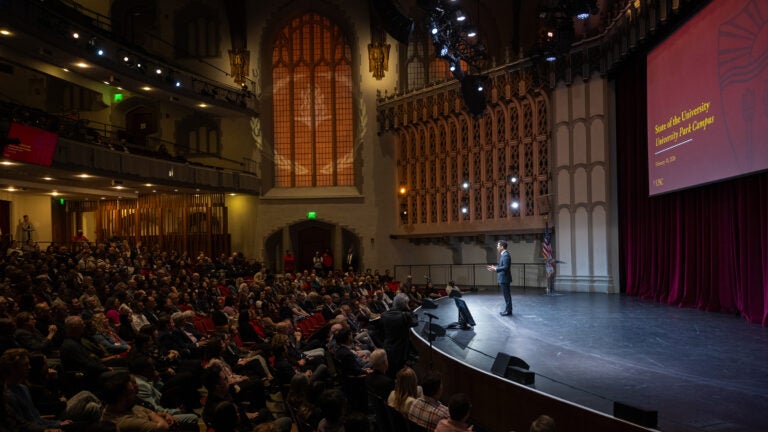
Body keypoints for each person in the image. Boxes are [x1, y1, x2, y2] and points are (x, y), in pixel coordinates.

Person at [487, 240, 513, 316]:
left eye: (498, 246)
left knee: (507, 295)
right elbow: (503, 266)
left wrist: (495, 269)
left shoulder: (505, 255)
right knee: (506, 295)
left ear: (502, 247)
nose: (497, 247)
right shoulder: (504, 255)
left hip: (504, 278)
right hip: (504, 278)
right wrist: (495, 267)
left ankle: (508, 311)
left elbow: (505, 267)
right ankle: (508, 310)